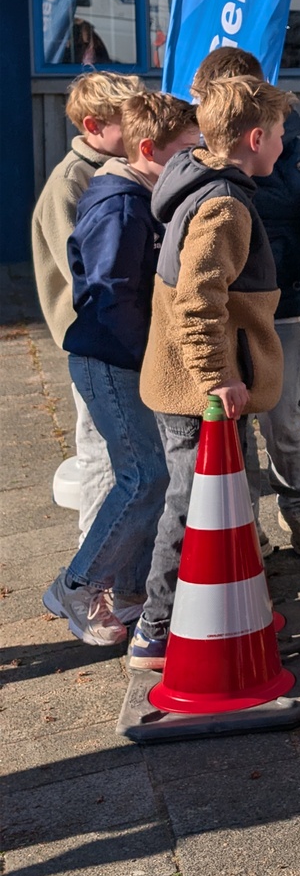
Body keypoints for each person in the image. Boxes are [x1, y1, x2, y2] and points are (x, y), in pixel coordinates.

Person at [133, 74, 300, 675]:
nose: (282, 144)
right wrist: (215, 376)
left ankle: (236, 612)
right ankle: (156, 628)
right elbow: (198, 300)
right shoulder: (224, 205)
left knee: (228, 503)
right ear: (256, 138)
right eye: (278, 134)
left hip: (205, 387)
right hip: (197, 391)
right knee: (193, 505)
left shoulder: (205, 184)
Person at [44, 90, 200, 648]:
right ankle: (77, 585)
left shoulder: (145, 195)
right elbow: (110, 293)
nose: (194, 161)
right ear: (147, 150)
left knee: (154, 476)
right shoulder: (120, 205)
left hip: (128, 357)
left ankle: (132, 589)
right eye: (185, 152)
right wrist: (148, 357)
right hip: (112, 360)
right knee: (145, 476)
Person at [190, 47, 300, 558]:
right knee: (233, 424)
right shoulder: (200, 157)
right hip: (226, 311)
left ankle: (298, 508)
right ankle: (247, 523)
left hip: (280, 307)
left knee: (283, 419)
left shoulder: (286, 147)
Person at [32, 71, 140, 539]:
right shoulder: (69, 182)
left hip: (122, 331)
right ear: (93, 126)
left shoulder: (125, 165)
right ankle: (91, 552)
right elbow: (85, 272)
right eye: (127, 123)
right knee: (100, 451)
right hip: (95, 339)